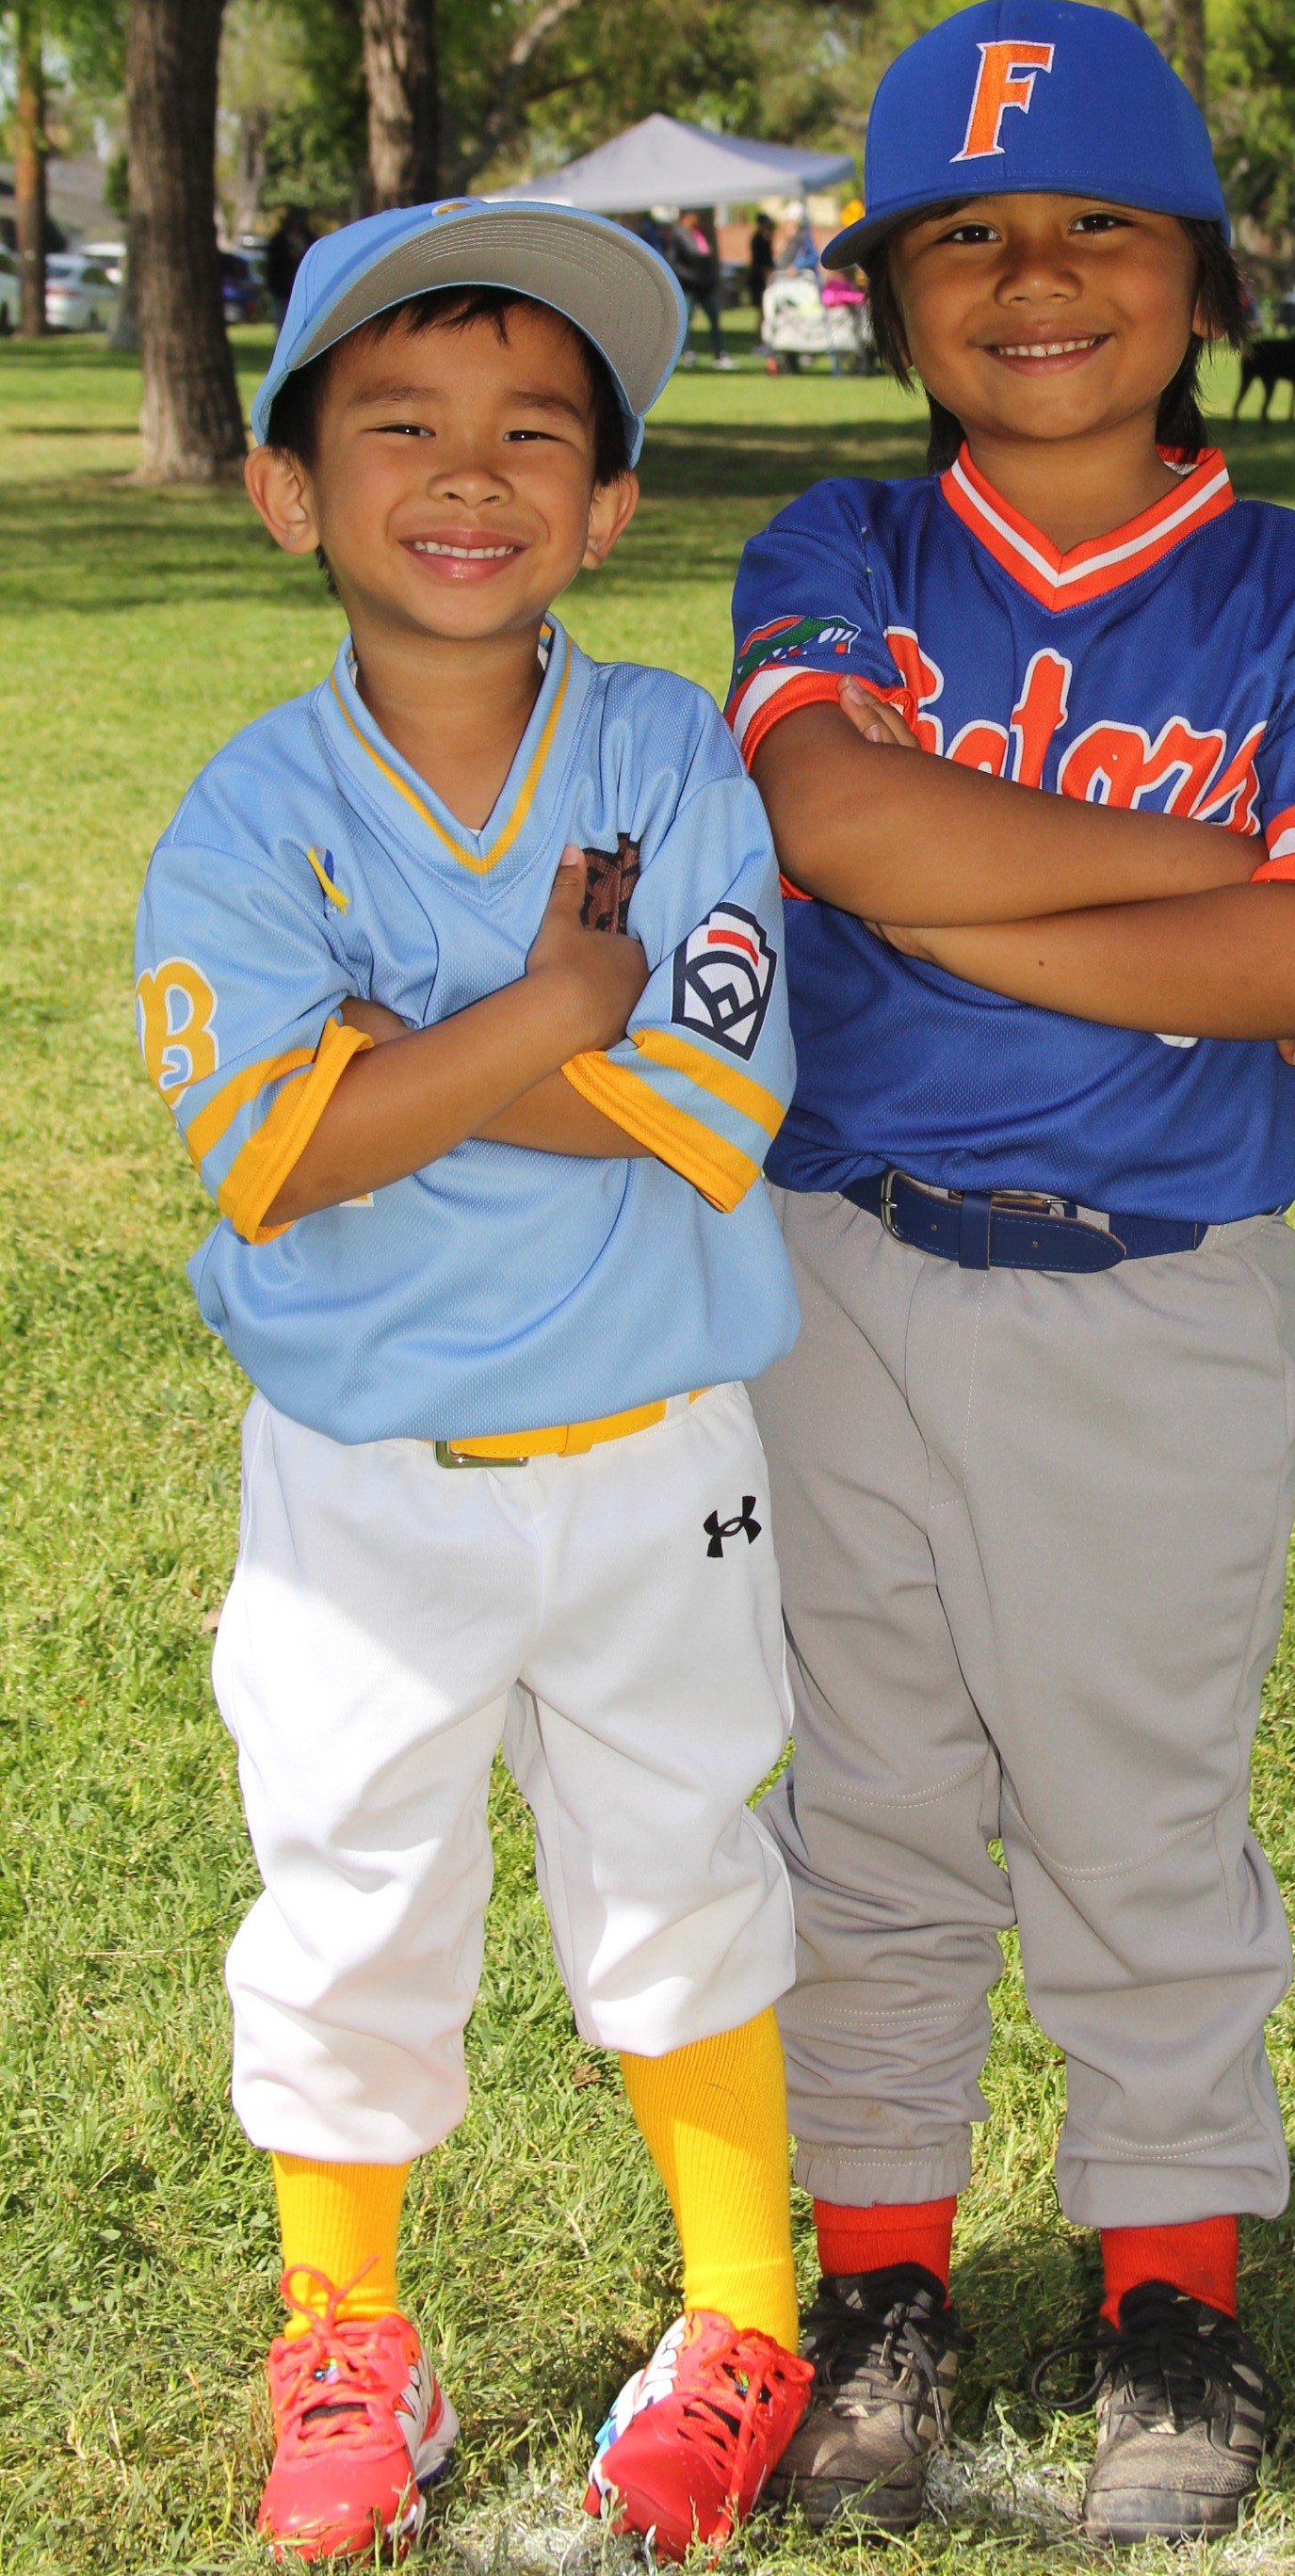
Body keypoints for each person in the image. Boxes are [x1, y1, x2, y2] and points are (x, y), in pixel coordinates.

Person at [724, 0, 1295, 2542]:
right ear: (892, 291)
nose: (1035, 278)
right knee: (874, 1809)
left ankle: (1168, 2302)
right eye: (969, 236)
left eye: (1098, 224)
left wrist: (958, 875)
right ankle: (881, 2284)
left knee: (1138, 1821)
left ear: (1208, 275)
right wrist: (1180, 869)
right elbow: (832, 816)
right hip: (835, 1270)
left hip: (1159, 1296)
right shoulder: (839, 548)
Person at [134, 201, 813, 2565]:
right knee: (346, 1894)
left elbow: (715, 1100)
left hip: (655, 1450)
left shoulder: (667, 754)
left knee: (685, 1871)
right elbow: (278, 1157)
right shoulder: (253, 807)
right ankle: (348, 2334)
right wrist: (546, 1011)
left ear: (608, 507)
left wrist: (402, 1054)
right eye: (398, 422)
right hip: (364, 1482)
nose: (468, 472)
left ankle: (744, 2317)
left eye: (535, 432)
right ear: (286, 488)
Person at [673, 208, 726, 362]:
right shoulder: (679, 235)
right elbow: (675, 262)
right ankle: (688, 352)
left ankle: (719, 353)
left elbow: (707, 258)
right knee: (686, 319)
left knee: (714, 317)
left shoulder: (699, 235)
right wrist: (691, 276)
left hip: (705, 286)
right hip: (690, 286)